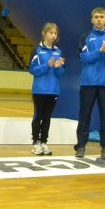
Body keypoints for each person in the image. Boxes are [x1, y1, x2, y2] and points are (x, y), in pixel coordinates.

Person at [74, 7, 105, 160]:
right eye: (96, 17)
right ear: (92, 20)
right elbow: (84, 59)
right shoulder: (85, 37)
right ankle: (80, 147)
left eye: (102, 17)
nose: (99, 19)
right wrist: (100, 50)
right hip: (88, 83)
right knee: (84, 116)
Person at [29, 23, 65, 156]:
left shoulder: (58, 52)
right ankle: (36, 143)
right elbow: (32, 69)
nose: (53, 35)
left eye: (55, 33)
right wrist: (47, 65)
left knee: (47, 118)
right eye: (51, 32)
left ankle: (44, 142)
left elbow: (61, 74)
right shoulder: (37, 50)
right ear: (44, 33)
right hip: (39, 90)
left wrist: (57, 67)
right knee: (38, 116)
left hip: (53, 90)